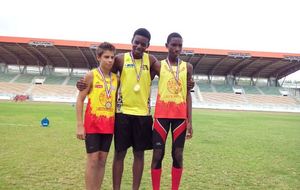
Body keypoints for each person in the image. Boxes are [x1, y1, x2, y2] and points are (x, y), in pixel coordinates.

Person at [76, 28, 195, 190]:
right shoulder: (119, 59)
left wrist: (189, 83)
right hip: (122, 114)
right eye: (136, 42)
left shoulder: (152, 61)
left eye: (143, 44)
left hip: (143, 116)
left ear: (148, 45)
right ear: (131, 41)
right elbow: (102, 73)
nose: (138, 46)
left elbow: (171, 74)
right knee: (119, 155)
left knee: (139, 155)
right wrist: (83, 82)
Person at [151, 32, 193, 190]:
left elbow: (188, 94)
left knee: (178, 155)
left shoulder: (187, 67)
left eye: (180, 45)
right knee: (157, 155)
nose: (177, 48)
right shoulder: (158, 65)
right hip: (161, 116)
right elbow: (144, 80)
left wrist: (190, 121)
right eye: (174, 45)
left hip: (180, 118)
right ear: (166, 46)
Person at [76, 42, 118, 190]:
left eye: (112, 57)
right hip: (92, 124)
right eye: (106, 57)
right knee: (93, 160)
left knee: (102, 160)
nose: (110, 60)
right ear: (98, 57)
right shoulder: (91, 75)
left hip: (108, 125)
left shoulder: (115, 79)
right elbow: (80, 99)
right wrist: (80, 125)